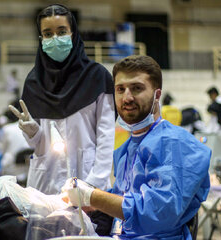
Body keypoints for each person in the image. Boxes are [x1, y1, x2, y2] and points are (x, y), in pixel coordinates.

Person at [62, 55, 211, 239]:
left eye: (137, 88)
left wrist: (92, 196)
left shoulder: (174, 144)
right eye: (120, 89)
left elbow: (158, 212)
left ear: (157, 95)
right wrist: (90, 201)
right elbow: (125, 196)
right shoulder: (128, 148)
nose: (127, 97)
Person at [9, 4, 115, 194]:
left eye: (61, 31)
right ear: (41, 38)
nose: (55, 39)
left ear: (73, 34)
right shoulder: (34, 82)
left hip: (88, 179)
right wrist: (32, 132)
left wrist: (94, 183)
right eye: (48, 34)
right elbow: (39, 145)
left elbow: (106, 136)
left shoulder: (97, 77)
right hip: (45, 185)